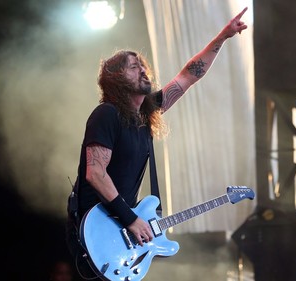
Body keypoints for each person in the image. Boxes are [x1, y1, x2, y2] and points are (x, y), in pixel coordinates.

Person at [66, 7, 248, 279]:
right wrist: (130, 219)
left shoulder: (146, 114)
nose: (143, 70)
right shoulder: (107, 114)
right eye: (133, 67)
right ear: (116, 79)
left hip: (122, 228)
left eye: (142, 65)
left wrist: (223, 36)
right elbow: (95, 173)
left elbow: (189, 75)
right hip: (97, 228)